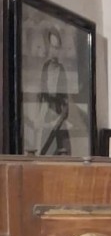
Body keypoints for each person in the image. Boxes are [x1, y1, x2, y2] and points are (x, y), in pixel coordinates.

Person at [38, 28, 71, 156]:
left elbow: (66, 103)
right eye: (52, 46)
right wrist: (41, 118)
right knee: (45, 152)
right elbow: (42, 96)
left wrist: (59, 119)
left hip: (59, 118)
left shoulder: (62, 70)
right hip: (47, 117)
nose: (54, 51)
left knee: (63, 153)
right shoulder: (45, 67)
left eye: (56, 48)